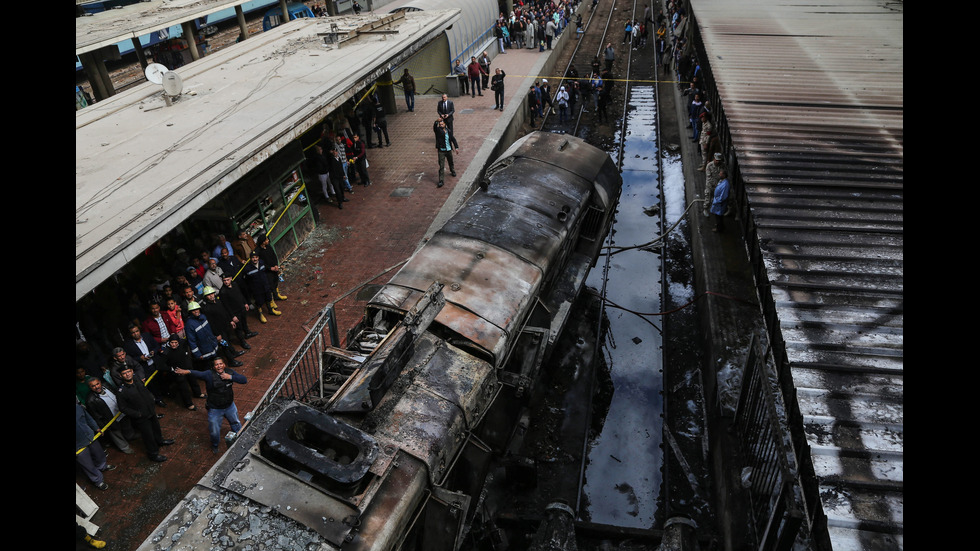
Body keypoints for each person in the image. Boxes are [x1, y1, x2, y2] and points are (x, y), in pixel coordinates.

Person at [175, 357, 248, 453]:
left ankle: (239, 437)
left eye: (221, 364)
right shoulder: (209, 374)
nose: (219, 366)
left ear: (224, 365)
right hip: (215, 409)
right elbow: (198, 373)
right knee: (214, 430)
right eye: (216, 364)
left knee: (236, 423)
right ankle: (215, 445)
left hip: (230, 406)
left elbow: (244, 380)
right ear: (213, 367)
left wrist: (230, 377)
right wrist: (187, 371)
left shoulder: (229, 372)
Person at [116, 363, 174, 462]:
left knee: (156, 428)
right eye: (124, 373)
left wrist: (151, 399)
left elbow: (145, 390)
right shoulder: (122, 391)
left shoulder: (137, 379)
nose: (128, 374)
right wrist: (137, 414)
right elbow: (123, 408)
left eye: (129, 371)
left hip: (150, 410)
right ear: (121, 376)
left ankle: (160, 441)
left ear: (132, 371)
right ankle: (153, 454)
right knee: (148, 436)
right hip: (141, 417)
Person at [185, 300, 244, 370]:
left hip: (212, 344)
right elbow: (192, 341)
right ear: (190, 312)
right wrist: (197, 354)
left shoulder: (204, 317)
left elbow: (211, 328)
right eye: (193, 310)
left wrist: (216, 335)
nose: (196, 311)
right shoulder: (189, 325)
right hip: (204, 349)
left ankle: (231, 361)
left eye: (197, 309)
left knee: (219, 359)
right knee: (209, 367)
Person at [85, 376, 136, 454]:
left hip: (121, 412)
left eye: (97, 384)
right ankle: (125, 448)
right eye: (93, 386)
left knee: (127, 426)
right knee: (116, 434)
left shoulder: (106, 385)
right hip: (109, 420)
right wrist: (103, 425)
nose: (96, 387)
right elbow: (96, 415)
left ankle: (131, 436)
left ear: (100, 382)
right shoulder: (90, 400)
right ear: (90, 387)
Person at [76, 402, 115, 490]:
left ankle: (102, 466)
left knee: (99, 454)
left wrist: (96, 427)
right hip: (78, 446)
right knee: (87, 464)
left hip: (90, 436)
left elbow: (88, 418)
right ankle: (98, 481)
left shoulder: (78, 407)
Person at [161, 334, 205, 409]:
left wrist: (186, 354)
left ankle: (198, 393)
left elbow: (186, 343)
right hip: (178, 372)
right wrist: (172, 369)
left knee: (193, 380)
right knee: (184, 388)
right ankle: (189, 404)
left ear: (178, 342)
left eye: (176, 342)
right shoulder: (166, 351)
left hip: (187, 367)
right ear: (169, 342)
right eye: (172, 342)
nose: (174, 344)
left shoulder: (182, 343)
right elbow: (161, 365)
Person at [219, 272, 259, 347]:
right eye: (224, 280)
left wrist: (245, 303)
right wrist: (232, 316)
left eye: (227, 280)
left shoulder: (235, 284)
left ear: (230, 278)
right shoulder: (223, 292)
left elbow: (240, 294)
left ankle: (247, 333)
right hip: (235, 312)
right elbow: (226, 306)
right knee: (238, 328)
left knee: (244, 322)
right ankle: (242, 342)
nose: (226, 282)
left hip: (241, 308)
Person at [244, 250, 281, 323]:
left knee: (268, 298)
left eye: (256, 257)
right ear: (250, 258)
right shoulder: (247, 268)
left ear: (258, 258)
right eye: (253, 257)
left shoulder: (261, 263)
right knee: (259, 301)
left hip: (265, 285)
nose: (255, 259)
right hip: (257, 288)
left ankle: (271, 310)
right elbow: (247, 281)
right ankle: (260, 314)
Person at [256, 234, 287, 301]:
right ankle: (272, 299)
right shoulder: (259, 251)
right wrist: (270, 268)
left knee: (276, 281)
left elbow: (274, 256)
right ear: (263, 242)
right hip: (267, 271)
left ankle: (277, 295)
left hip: (274, 268)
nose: (268, 240)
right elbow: (261, 263)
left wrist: (276, 265)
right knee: (270, 284)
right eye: (266, 240)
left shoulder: (268, 247)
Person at [434, 119, 457, 188]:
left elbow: (453, 139)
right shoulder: (438, 131)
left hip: (449, 150)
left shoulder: (448, 131)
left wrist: (456, 147)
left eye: (442, 124)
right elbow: (434, 128)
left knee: (450, 161)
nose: (441, 126)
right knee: (441, 166)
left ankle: (452, 170)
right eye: (440, 124)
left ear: (445, 124)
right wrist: (436, 122)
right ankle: (441, 180)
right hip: (441, 150)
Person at [703, 153, 727, 218]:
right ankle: (705, 208)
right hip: (710, 184)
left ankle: (714, 209)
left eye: (719, 160)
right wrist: (714, 185)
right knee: (708, 196)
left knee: (716, 198)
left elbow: (724, 175)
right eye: (716, 160)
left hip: (719, 185)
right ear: (714, 159)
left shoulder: (722, 165)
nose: (717, 161)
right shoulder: (709, 166)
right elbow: (709, 177)